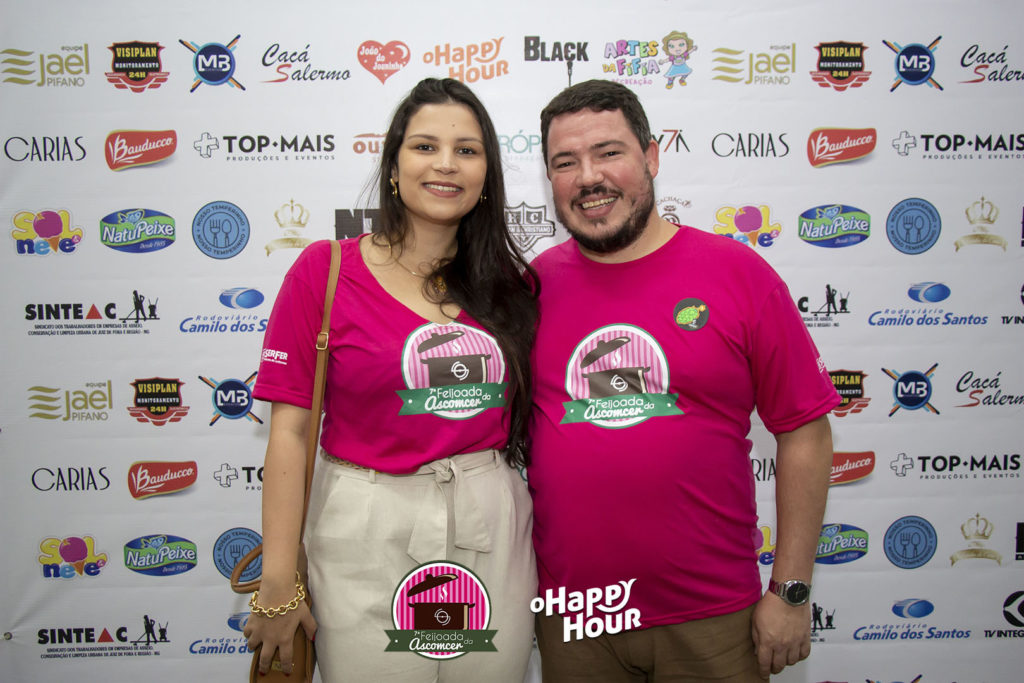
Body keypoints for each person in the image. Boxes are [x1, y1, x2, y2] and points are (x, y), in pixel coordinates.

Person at [528, 79, 840, 681]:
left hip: (712, 617)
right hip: (576, 620)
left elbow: (806, 431)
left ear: (651, 156)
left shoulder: (738, 275)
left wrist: (792, 590)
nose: (588, 177)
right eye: (566, 162)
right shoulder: (530, 291)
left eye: (609, 152)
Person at [245, 78, 538, 683]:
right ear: (394, 166)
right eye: (425, 146)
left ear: (487, 175)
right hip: (363, 529)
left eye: (466, 150)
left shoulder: (513, 287)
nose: (446, 164)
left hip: (488, 525)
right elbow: (290, 434)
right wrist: (277, 583)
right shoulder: (325, 271)